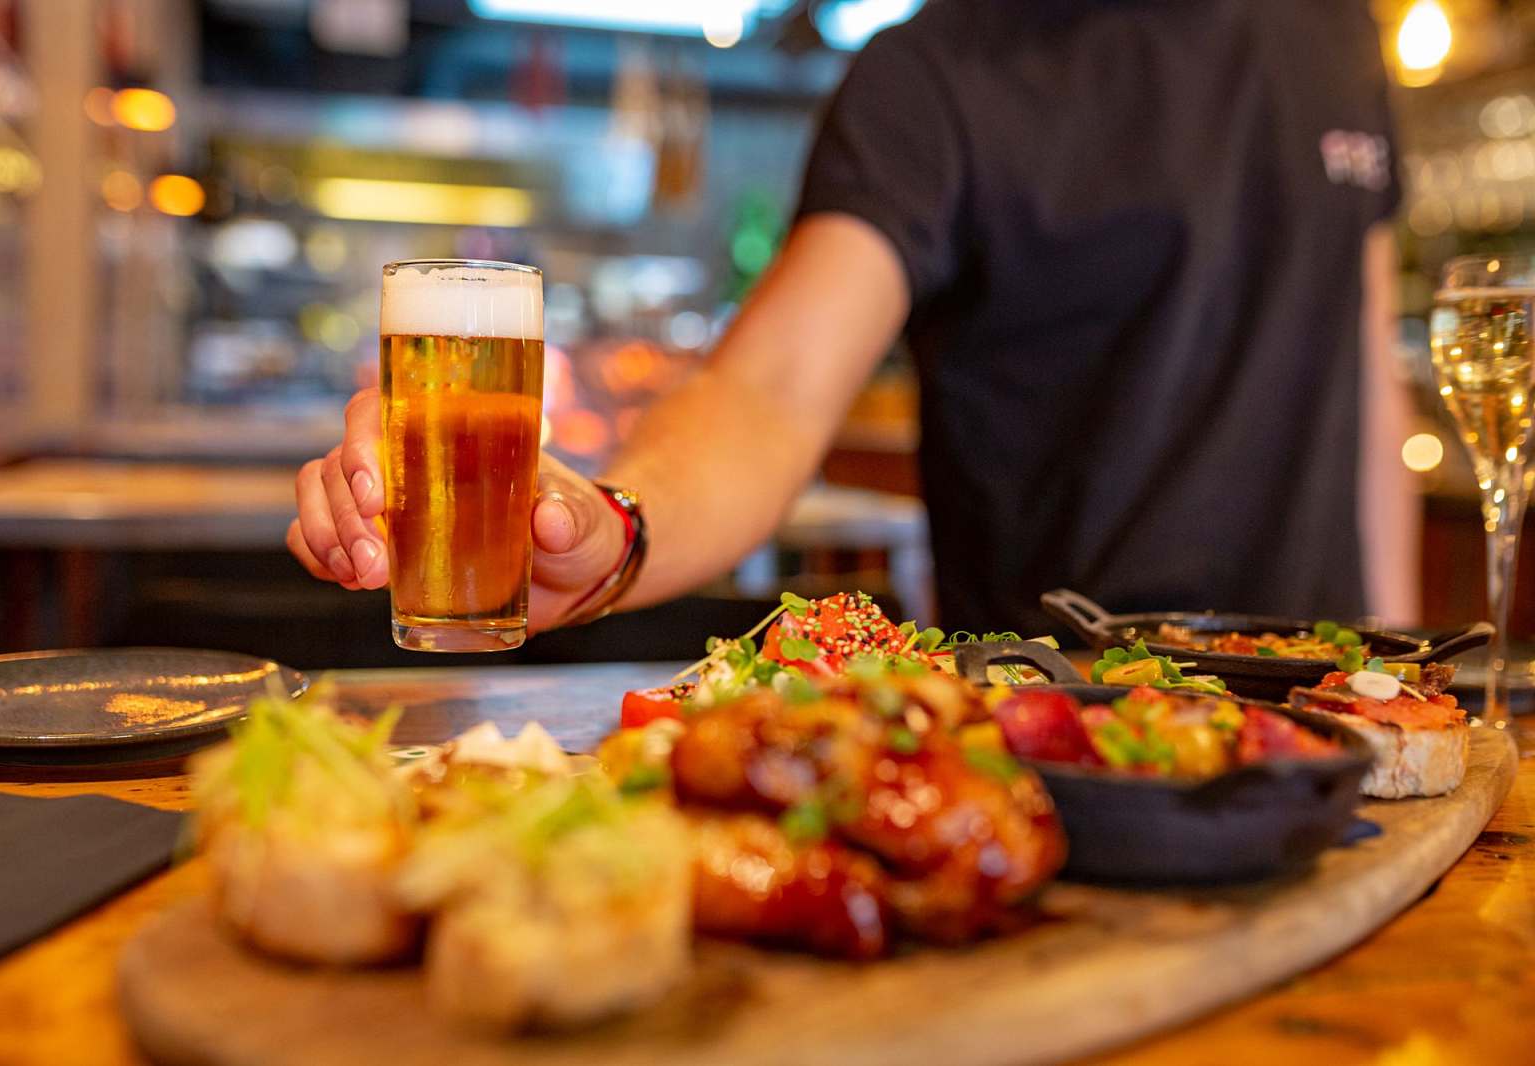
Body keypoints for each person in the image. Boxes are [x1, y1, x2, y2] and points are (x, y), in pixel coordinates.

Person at [288, 0, 1419, 638]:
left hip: (1331, 710)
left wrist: (1407, 674)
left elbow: (1364, 379)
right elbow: (768, 392)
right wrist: (612, 534)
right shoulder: (931, 75)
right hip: (1068, 732)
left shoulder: (1333, 35)